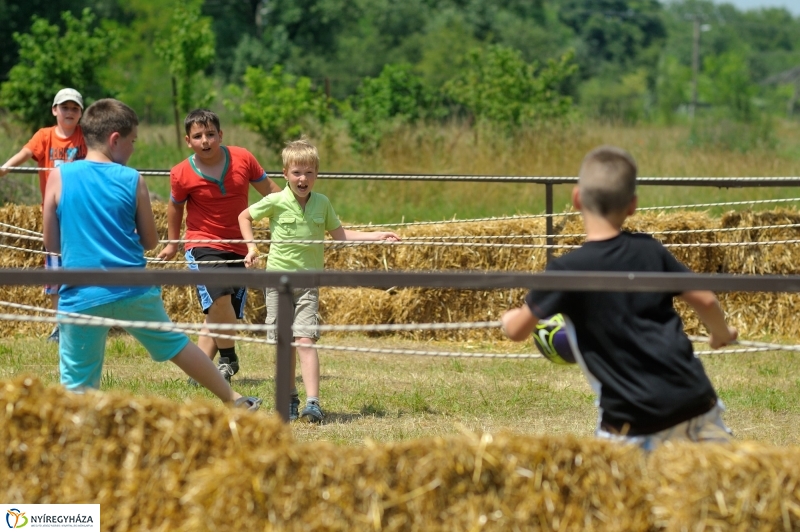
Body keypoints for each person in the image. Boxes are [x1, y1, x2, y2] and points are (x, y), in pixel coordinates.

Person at [501, 145, 738, 451]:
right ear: (633, 205)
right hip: (695, 402)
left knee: (623, 498)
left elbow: (519, 329)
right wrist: (722, 333)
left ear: (576, 199)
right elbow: (705, 300)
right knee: (716, 491)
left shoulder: (566, 270)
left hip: (631, 423)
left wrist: (508, 320)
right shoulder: (650, 250)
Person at [41, 98, 260, 410]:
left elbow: (52, 244)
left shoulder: (59, 177)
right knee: (178, 347)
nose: (133, 149)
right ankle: (234, 399)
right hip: (134, 292)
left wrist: (64, 271)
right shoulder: (132, 179)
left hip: (81, 295)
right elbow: (148, 241)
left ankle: (76, 431)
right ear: (115, 139)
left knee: (77, 379)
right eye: (132, 142)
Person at [238, 138, 400, 422]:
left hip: (308, 285)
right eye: (297, 172)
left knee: (306, 340)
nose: (303, 178)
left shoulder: (322, 203)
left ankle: (313, 403)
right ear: (286, 174)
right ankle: (288, 399)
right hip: (278, 283)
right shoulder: (275, 201)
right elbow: (244, 216)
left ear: (316, 175)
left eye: (309, 172)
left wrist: (376, 235)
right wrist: (251, 247)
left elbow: (341, 236)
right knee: (284, 343)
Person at [156, 109, 282, 383]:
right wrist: (173, 242)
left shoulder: (243, 158)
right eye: (198, 136)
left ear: (220, 135)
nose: (205, 141)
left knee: (219, 309)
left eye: (210, 134)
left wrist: (298, 210)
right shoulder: (180, 173)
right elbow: (175, 207)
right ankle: (229, 357)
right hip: (202, 242)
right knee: (220, 296)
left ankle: (200, 374)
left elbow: (271, 192)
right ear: (188, 141)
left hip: (239, 245)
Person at [0, 88, 88, 343]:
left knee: (82, 264)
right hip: (54, 213)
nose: (69, 112)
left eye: (74, 108)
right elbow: (25, 153)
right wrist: (6, 168)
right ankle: (58, 325)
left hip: (82, 213)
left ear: (81, 113)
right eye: (65, 107)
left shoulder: (86, 137)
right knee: (55, 267)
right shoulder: (45, 136)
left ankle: (83, 319)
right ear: (54, 110)